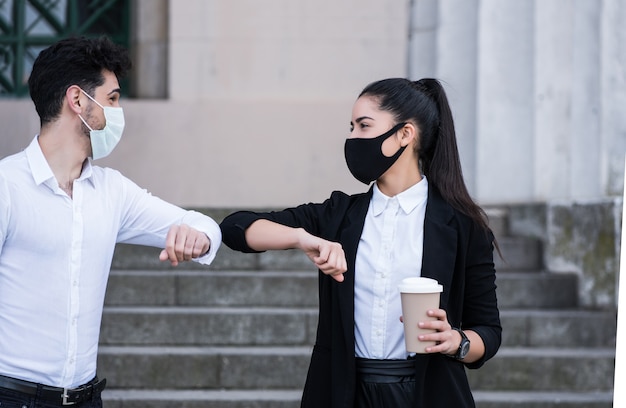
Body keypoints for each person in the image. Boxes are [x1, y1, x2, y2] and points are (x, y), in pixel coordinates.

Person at [220, 78, 501, 407]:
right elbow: (235, 228)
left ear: (405, 134)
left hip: (430, 394)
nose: (352, 138)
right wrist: (300, 238)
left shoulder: (464, 225)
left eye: (363, 126)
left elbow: (489, 331)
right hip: (344, 394)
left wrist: (457, 341)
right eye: (351, 127)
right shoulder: (338, 215)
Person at [0, 36, 221, 407]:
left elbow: (205, 226)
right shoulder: (7, 185)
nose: (119, 111)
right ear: (77, 101)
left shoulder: (111, 191)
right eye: (113, 98)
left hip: (86, 398)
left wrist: (197, 237)